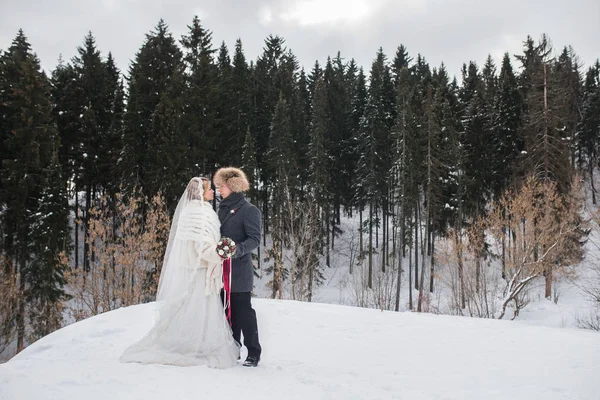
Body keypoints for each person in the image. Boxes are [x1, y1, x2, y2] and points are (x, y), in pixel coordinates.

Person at [120, 177, 239, 368]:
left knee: (191, 308)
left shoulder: (193, 212)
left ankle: (190, 340)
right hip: (199, 271)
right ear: (201, 192)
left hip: (193, 271)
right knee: (199, 309)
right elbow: (201, 248)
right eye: (209, 189)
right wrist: (222, 252)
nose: (212, 193)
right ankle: (194, 345)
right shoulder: (198, 215)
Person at [214, 167, 262, 367]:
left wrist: (236, 250)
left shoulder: (249, 210)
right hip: (220, 272)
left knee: (243, 312)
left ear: (233, 187)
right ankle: (233, 349)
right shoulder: (221, 208)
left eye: (222, 186)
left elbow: (254, 239)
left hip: (239, 271)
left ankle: (253, 352)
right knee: (226, 312)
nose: (218, 190)